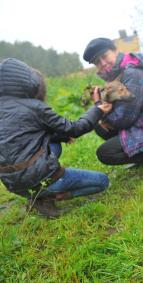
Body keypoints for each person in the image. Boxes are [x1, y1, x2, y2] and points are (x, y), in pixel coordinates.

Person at [0, 58, 112, 218]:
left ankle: (35, 194)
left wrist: (61, 136)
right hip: (38, 179)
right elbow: (75, 129)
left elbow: (23, 134)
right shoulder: (34, 107)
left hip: (13, 184)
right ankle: (48, 196)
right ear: (25, 81)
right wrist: (97, 109)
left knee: (55, 145)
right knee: (102, 181)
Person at [83, 38, 143, 177]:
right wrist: (100, 116)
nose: (103, 63)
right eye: (98, 62)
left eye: (104, 56)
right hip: (142, 121)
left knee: (106, 153)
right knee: (100, 127)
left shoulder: (132, 73)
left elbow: (123, 119)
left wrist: (99, 107)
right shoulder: (116, 74)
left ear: (115, 51)